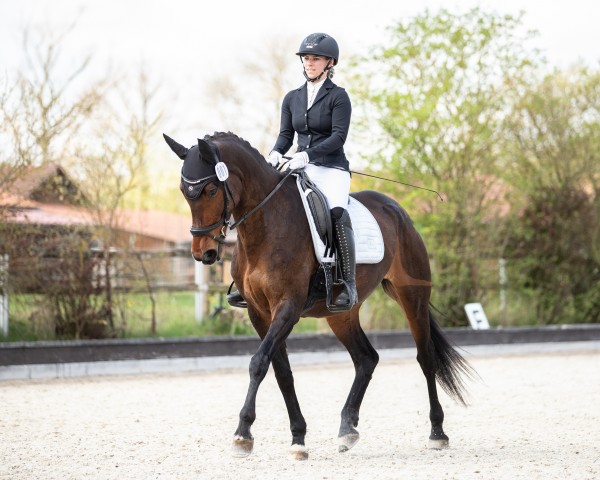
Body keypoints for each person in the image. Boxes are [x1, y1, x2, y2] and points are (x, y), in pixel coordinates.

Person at [267, 32, 357, 310]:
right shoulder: (292, 98)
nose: (309, 63)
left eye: (315, 59)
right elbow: (285, 134)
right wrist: (275, 152)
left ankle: (347, 284)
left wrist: (306, 155)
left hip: (331, 169)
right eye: (306, 58)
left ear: (330, 62)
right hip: (299, 166)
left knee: (337, 212)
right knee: (271, 206)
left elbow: (338, 138)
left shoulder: (339, 97)